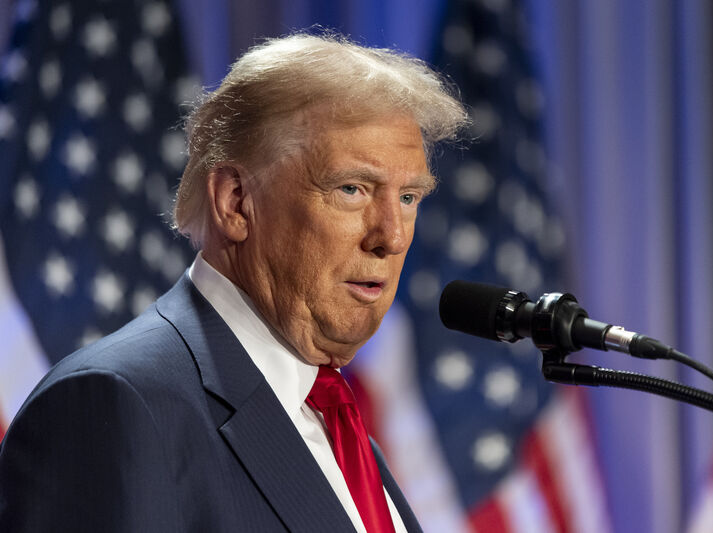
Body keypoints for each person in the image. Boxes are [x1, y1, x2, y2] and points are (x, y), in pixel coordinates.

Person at [0, 33, 468, 532]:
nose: (391, 238)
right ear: (235, 201)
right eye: (351, 189)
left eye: (409, 198)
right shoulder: (114, 407)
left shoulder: (334, 422)